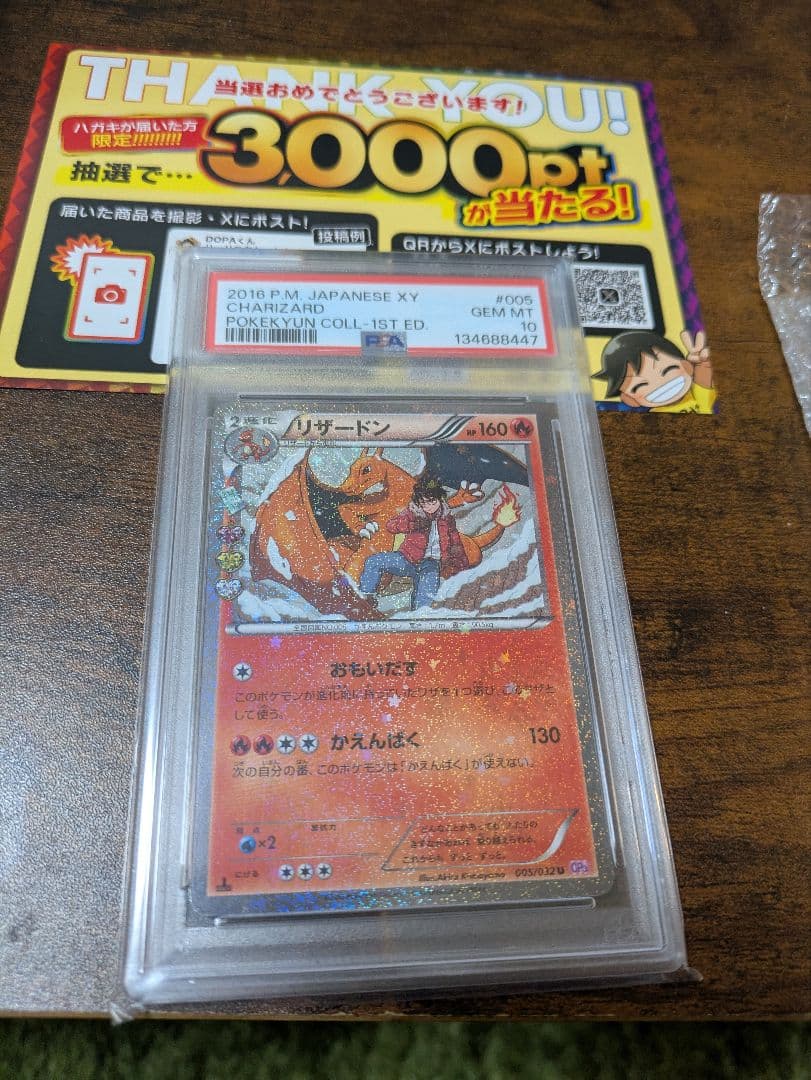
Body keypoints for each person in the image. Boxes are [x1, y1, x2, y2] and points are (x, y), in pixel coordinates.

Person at [359, 478, 470, 609]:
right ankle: (366, 597)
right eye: (424, 503)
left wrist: (463, 570)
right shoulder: (412, 513)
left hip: (431, 565)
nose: (429, 507)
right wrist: (412, 524)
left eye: (432, 502)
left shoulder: (447, 519)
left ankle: (418, 616)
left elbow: (456, 544)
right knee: (374, 561)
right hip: (406, 559)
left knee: (424, 601)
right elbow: (391, 525)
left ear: (440, 500)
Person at [593, 329, 715, 413]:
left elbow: (703, 381)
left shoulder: (695, 395)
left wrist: (702, 362)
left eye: (668, 370)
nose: (660, 384)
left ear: (687, 366)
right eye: (640, 386)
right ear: (630, 399)